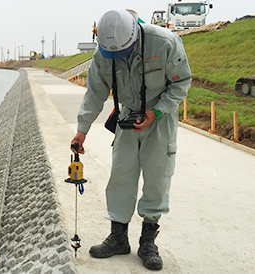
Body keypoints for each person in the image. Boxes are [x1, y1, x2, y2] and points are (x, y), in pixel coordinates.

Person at [71, 9, 192, 270]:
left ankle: (148, 241)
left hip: (160, 116)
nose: (117, 58)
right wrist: (82, 130)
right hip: (127, 117)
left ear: (135, 35)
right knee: (121, 176)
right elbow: (95, 92)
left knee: (157, 177)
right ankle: (118, 237)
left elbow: (181, 82)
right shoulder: (103, 54)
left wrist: (157, 110)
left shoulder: (165, 42)